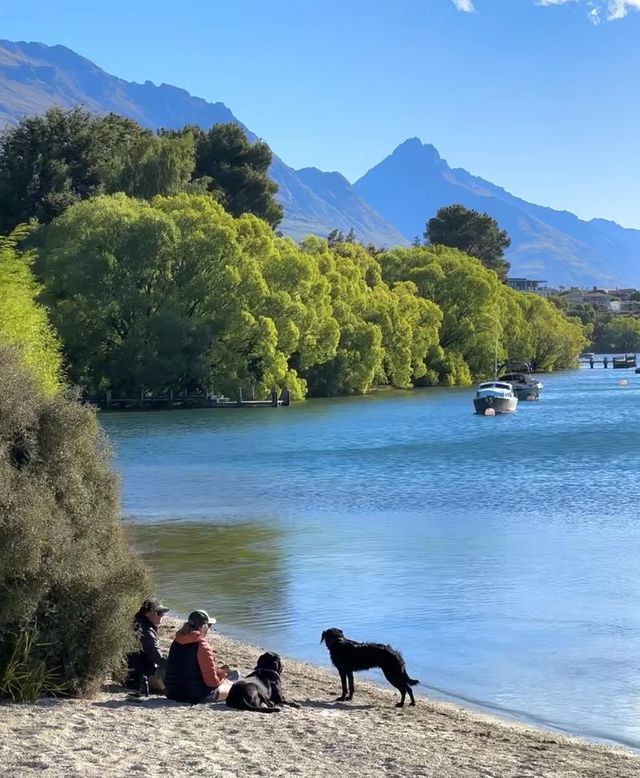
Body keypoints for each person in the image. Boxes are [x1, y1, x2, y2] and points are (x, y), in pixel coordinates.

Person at [165, 609, 234, 704]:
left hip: (172, 693)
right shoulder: (202, 645)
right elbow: (211, 682)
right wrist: (223, 677)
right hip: (195, 695)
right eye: (209, 626)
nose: (209, 629)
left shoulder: (177, 640)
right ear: (203, 626)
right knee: (234, 682)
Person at [126, 598, 170, 693]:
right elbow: (158, 658)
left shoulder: (136, 623)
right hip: (140, 678)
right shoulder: (146, 631)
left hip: (128, 675)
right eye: (159, 613)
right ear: (148, 614)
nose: (162, 616)